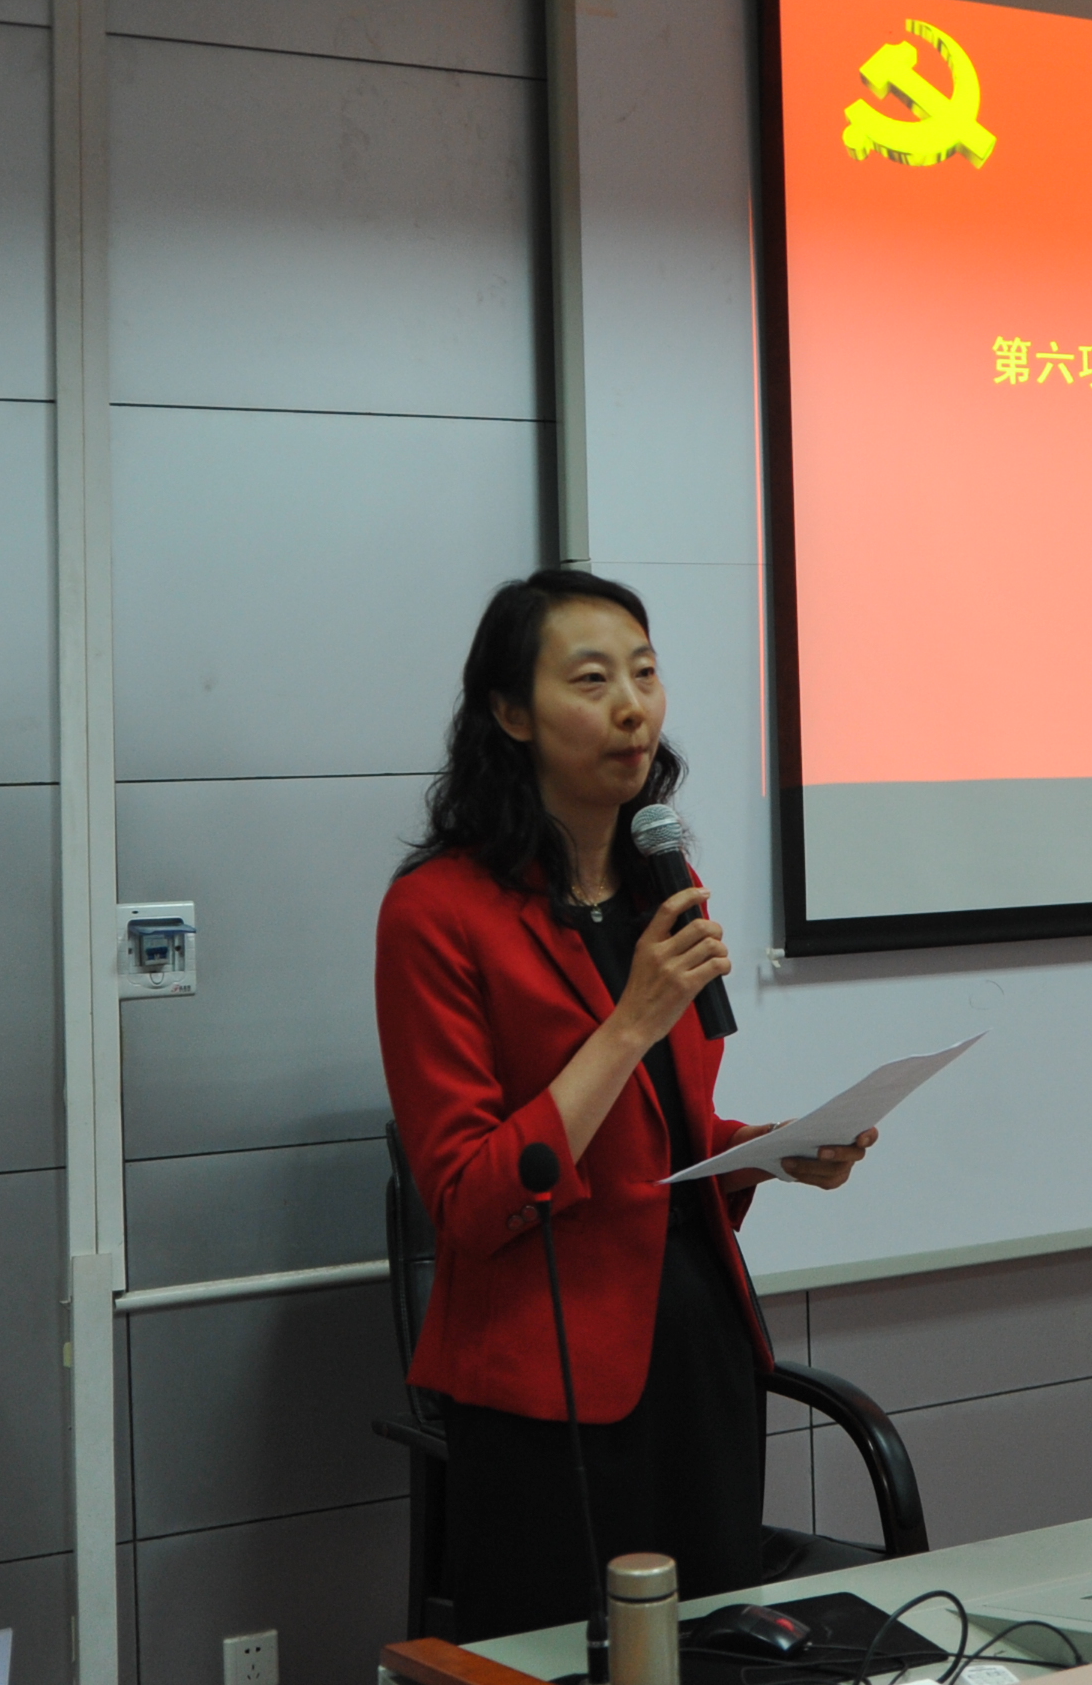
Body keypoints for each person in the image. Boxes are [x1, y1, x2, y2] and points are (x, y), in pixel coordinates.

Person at [376, 569, 874, 1641]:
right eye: (592, 679)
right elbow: (469, 1197)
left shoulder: (661, 878)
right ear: (511, 713)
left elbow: (653, 1131)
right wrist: (629, 1020)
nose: (632, 707)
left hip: (701, 1352)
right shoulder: (437, 912)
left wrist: (769, 1150)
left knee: (716, 1650)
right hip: (547, 1388)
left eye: (645, 675)